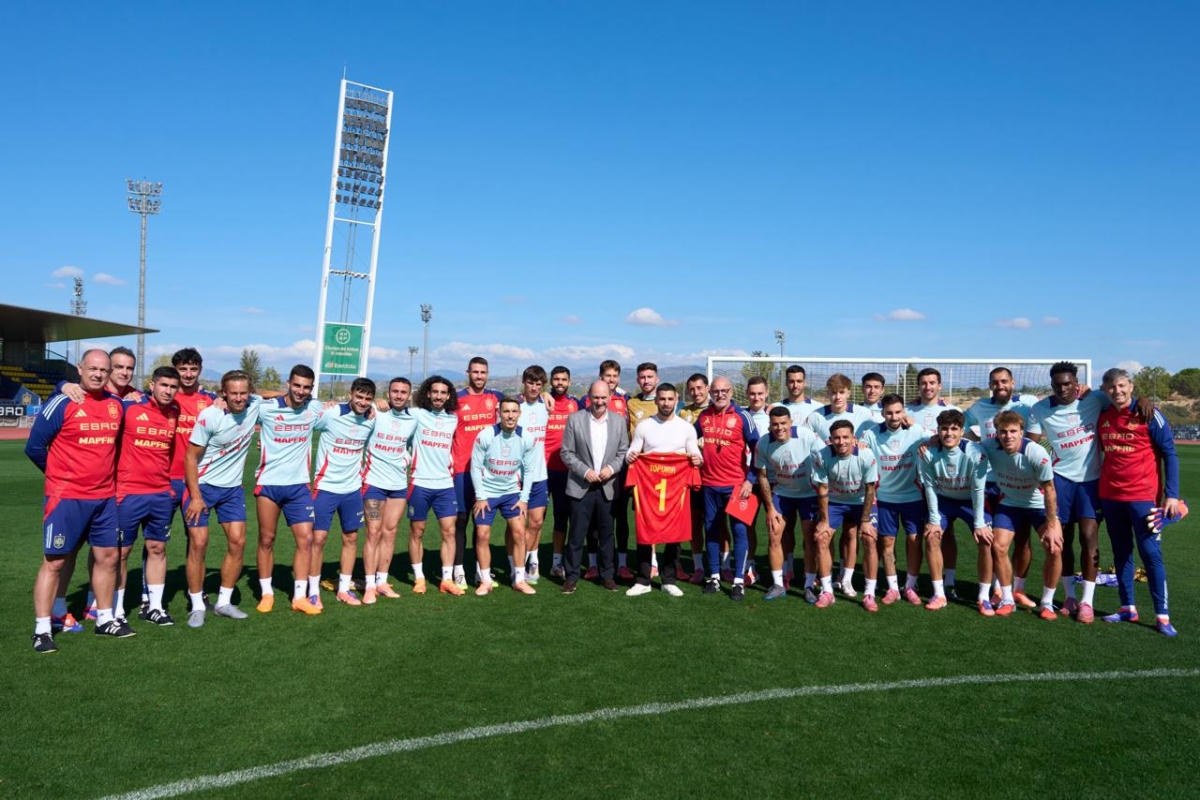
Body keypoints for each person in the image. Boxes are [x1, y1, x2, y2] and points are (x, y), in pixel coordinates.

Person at [26, 349, 127, 653]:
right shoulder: (63, 402)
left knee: (108, 558)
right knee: (55, 561)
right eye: (93, 368)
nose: (98, 374)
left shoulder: (115, 405)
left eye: (104, 370)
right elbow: (34, 447)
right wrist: (60, 476)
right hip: (67, 498)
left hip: (104, 498)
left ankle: (105, 619)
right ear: (80, 369)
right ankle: (42, 629)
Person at [1026, 362, 1120, 623]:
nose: (1063, 388)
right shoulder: (1040, 409)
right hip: (1060, 481)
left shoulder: (1095, 399)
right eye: (1057, 385)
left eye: (1067, 384)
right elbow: (1030, 446)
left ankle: (1087, 602)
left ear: (1076, 383)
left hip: (1091, 481)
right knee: (1062, 541)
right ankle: (1069, 596)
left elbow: (1123, 401)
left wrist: (1143, 401)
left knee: (1089, 537)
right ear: (1052, 385)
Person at [1097, 368, 1181, 636]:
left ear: (1131, 386)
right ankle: (1127, 607)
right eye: (1111, 387)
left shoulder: (1149, 414)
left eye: (1122, 385)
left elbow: (1170, 454)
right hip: (1111, 497)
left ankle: (1162, 616)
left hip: (1143, 498)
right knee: (1121, 552)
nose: (1117, 391)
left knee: (1151, 554)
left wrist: (1171, 495)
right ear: (1105, 390)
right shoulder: (1102, 414)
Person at [183, 370, 263, 627]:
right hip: (203, 486)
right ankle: (197, 606)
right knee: (198, 544)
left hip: (232, 489)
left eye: (243, 393)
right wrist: (196, 497)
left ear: (250, 393)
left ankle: (224, 603)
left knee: (238, 542)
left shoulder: (254, 405)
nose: (239, 398)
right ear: (223, 394)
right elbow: (190, 457)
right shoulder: (210, 415)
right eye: (233, 393)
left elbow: (279, 396)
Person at [113, 366, 182, 626]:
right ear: (152, 385)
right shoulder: (129, 407)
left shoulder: (175, 411)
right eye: (163, 385)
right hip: (129, 492)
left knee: (157, 548)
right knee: (121, 552)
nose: (168, 391)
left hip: (161, 493)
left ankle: (155, 607)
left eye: (173, 387)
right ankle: (117, 610)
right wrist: (63, 385)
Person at [253, 365, 325, 613]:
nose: (301, 391)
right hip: (269, 484)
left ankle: (299, 597)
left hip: (299, 486)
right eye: (296, 385)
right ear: (288, 384)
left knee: (306, 539)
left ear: (311, 389)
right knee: (266, 539)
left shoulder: (314, 408)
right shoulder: (266, 408)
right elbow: (246, 397)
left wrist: (373, 408)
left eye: (306, 387)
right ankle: (267, 593)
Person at [964, 366, 1038, 604]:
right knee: (995, 541)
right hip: (990, 483)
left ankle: (1019, 590)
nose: (1000, 386)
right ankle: (998, 589)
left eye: (1004, 381)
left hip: (1018, 483)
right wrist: (978, 443)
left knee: (1023, 539)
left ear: (1012, 383)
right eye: (995, 382)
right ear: (990, 385)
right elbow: (961, 425)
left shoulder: (1027, 403)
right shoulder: (980, 407)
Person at [979, 410, 1062, 620]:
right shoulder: (989, 446)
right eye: (1003, 431)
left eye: (1013, 431)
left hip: (1038, 505)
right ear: (997, 433)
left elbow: (1050, 490)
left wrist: (1052, 524)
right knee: (998, 546)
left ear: (1021, 432)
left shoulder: (1036, 453)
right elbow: (962, 445)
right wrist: (933, 440)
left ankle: (1047, 603)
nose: (1008, 436)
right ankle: (1007, 599)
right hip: (1010, 504)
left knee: (1054, 548)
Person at [625, 383, 702, 597]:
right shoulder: (644, 426)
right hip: (649, 488)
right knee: (645, 532)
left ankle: (669, 580)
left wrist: (698, 459)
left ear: (676, 400)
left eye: (670, 399)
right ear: (656, 400)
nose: (666, 403)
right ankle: (643, 580)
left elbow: (695, 454)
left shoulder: (686, 428)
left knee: (674, 535)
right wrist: (631, 456)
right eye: (662, 399)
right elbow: (632, 452)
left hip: (676, 489)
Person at [917, 410, 992, 614]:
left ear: (962, 431)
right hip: (943, 500)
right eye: (944, 429)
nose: (949, 433)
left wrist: (979, 523)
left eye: (954, 429)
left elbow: (978, 489)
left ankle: (984, 597)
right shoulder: (928, 453)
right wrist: (934, 519)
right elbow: (929, 487)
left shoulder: (975, 452)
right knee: (932, 536)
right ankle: (939, 593)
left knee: (985, 539)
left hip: (970, 501)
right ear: (938, 430)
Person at [311, 378, 377, 607]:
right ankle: (312, 592)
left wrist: (379, 406)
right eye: (359, 397)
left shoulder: (370, 419)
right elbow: (302, 424)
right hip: (326, 488)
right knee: (318, 539)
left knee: (351, 538)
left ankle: (343, 589)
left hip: (352, 490)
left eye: (368, 399)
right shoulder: (332, 414)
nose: (363, 402)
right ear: (351, 394)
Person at [559, 380, 629, 594]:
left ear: (610, 397)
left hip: (608, 485)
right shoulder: (575, 419)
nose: (599, 401)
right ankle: (571, 577)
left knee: (607, 534)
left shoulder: (619, 421)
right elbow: (566, 453)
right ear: (588, 396)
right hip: (581, 485)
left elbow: (623, 452)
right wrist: (585, 471)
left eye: (603, 397)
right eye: (595, 397)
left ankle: (607, 575)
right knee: (576, 534)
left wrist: (612, 468)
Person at [859, 394, 928, 609]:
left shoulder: (916, 431)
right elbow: (860, 449)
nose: (894, 416)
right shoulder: (871, 434)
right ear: (882, 413)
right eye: (889, 413)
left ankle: (911, 586)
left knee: (914, 540)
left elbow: (938, 438)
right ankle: (893, 588)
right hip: (885, 498)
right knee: (887, 542)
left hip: (913, 497)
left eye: (898, 412)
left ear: (904, 412)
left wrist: (925, 436)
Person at [695, 377, 760, 601]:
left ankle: (739, 581)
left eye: (724, 391)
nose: (720, 394)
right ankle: (714, 576)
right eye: (716, 391)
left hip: (737, 487)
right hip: (709, 485)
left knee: (739, 532)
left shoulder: (743, 416)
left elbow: (757, 449)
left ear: (731, 392)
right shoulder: (704, 416)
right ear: (710, 392)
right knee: (711, 530)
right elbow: (689, 439)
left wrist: (750, 480)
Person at [471, 397, 539, 595]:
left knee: (519, 533)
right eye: (506, 411)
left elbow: (529, 470)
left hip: (511, 492)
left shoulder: (527, 437)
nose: (510, 416)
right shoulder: (486, 435)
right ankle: (485, 580)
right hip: (487, 493)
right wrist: (480, 497)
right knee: (482, 534)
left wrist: (524, 499)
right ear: (499, 413)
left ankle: (519, 579)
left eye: (514, 411)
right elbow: (475, 467)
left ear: (519, 414)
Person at [755, 406, 823, 601]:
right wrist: (770, 508)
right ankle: (778, 584)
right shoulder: (763, 443)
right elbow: (762, 476)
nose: (779, 428)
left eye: (783, 423)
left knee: (810, 538)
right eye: (775, 424)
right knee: (774, 534)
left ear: (791, 423)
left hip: (808, 494)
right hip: (782, 494)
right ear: (769, 425)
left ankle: (809, 585)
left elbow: (825, 457)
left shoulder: (806, 436)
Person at [905, 368, 961, 597]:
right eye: (923, 383)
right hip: (912, 483)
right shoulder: (908, 410)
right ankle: (912, 580)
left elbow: (961, 438)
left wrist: (936, 438)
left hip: (941, 484)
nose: (928, 387)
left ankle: (949, 581)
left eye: (932, 383)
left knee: (945, 533)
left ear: (940, 386)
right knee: (914, 534)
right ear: (918, 386)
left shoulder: (950, 410)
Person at [811, 420, 879, 608]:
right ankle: (827, 591)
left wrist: (865, 520)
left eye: (845, 437)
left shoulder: (866, 454)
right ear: (830, 439)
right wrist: (824, 521)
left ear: (853, 438)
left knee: (869, 538)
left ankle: (869, 594)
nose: (841, 442)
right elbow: (822, 489)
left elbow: (870, 489)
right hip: (835, 501)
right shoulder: (823, 455)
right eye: (837, 438)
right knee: (821, 537)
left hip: (860, 501)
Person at [451, 357, 505, 588]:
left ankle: (479, 571)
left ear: (488, 374)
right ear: (468, 373)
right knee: (461, 521)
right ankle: (458, 571)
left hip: (486, 472)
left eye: (483, 372)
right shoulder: (456, 400)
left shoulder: (496, 398)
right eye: (475, 372)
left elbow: (523, 400)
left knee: (481, 523)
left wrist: (544, 394)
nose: (479, 376)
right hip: (462, 469)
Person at [407, 375, 462, 596]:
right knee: (417, 531)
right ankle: (419, 578)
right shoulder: (416, 415)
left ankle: (446, 579)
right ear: (428, 394)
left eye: (443, 393)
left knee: (449, 531)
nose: (439, 396)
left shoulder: (454, 419)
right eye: (435, 392)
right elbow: (393, 414)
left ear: (448, 396)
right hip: (420, 483)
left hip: (445, 485)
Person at [362, 378, 415, 601]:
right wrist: (375, 403)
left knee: (390, 532)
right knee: (373, 532)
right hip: (373, 484)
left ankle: (382, 582)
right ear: (388, 393)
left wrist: (407, 458)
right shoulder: (376, 413)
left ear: (409, 395)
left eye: (403, 392)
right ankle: (369, 585)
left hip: (398, 487)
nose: (399, 395)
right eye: (395, 391)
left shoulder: (413, 419)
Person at [580, 360, 630, 580]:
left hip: (618, 469)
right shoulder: (586, 400)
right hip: (593, 470)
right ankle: (593, 564)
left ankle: (622, 564)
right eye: (607, 375)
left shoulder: (626, 400)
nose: (611, 379)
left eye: (615, 376)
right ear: (600, 376)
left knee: (620, 517)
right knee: (594, 519)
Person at [624, 362, 661, 581]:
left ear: (657, 378)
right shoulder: (631, 403)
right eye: (642, 377)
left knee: (667, 515)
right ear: (638, 380)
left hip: (664, 470)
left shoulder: (667, 400)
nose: (646, 380)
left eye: (650, 376)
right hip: (640, 470)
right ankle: (651, 561)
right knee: (644, 516)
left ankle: (671, 562)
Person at [544, 366, 580, 579]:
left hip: (566, 471)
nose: (560, 382)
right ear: (551, 381)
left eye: (563, 379)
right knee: (535, 520)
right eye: (556, 379)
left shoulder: (576, 404)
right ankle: (530, 562)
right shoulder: (542, 402)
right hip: (542, 470)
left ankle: (556, 563)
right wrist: (542, 393)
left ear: (569, 381)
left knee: (561, 518)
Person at [515, 367, 550, 584]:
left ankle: (528, 562)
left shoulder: (546, 406)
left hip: (539, 475)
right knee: (517, 527)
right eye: (531, 383)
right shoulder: (515, 408)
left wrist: (547, 395)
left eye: (538, 384)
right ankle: (516, 566)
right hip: (517, 477)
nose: (534, 387)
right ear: (524, 382)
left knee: (536, 523)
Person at [679, 373, 713, 584]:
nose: (696, 392)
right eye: (692, 389)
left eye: (699, 388)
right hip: (690, 477)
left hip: (714, 476)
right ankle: (698, 566)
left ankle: (723, 566)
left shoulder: (716, 410)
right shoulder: (683, 413)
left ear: (707, 388)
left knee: (717, 524)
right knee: (694, 524)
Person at [807, 373, 876, 444]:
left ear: (848, 393)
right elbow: (803, 438)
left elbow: (880, 431)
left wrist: (864, 442)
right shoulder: (816, 416)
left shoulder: (862, 413)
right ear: (828, 393)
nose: (838, 397)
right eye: (834, 393)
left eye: (841, 392)